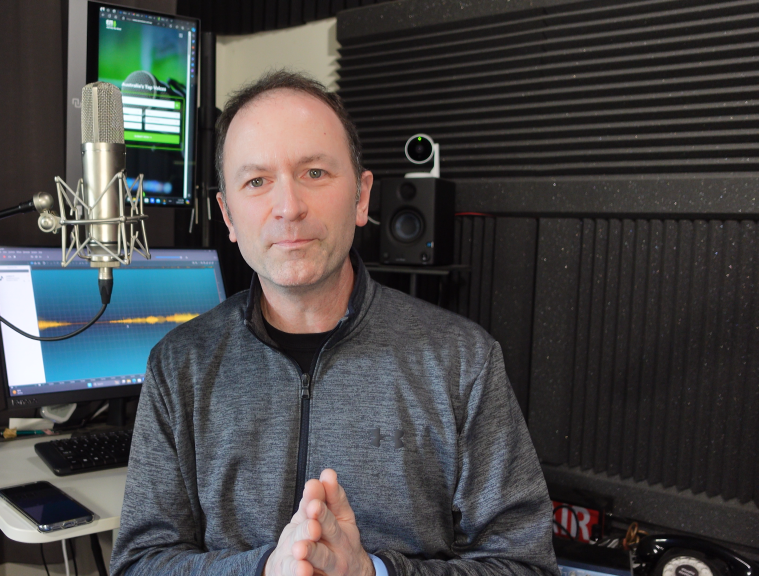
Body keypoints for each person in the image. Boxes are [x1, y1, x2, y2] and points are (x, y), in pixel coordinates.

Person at [110, 70, 559, 576]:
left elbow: (526, 566)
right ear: (228, 215)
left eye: (315, 173)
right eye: (257, 182)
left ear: (362, 197)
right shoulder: (178, 366)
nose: (289, 208)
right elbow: (138, 565)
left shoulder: (464, 362)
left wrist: (374, 573)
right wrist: (264, 569)